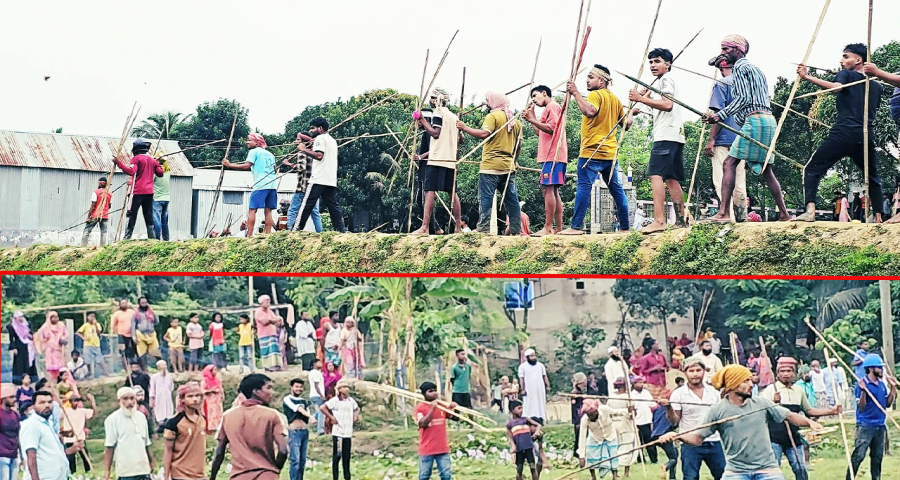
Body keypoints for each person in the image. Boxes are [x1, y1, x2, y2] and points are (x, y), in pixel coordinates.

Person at [659, 364, 824, 480]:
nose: (751, 384)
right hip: (736, 472)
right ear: (732, 385)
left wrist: (810, 423)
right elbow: (697, 439)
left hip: (768, 469)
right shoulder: (718, 410)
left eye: (750, 380)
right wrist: (677, 435)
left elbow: (789, 415)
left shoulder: (761, 404)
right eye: (745, 381)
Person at [702, 35, 791, 223]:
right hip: (768, 121)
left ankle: (724, 213)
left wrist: (719, 115)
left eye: (726, 49)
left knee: (728, 163)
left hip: (755, 120)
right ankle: (784, 214)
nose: (723, 53)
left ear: (739, 50)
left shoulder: (741, 68)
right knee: (766, 169)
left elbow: (742, 99)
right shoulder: (756, 69)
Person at [794, 44, 885, 223]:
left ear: (858, 60)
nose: (841, 61)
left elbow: (836, 88)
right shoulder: (877, 86)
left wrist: (807, 77)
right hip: (866, 135)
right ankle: (879, 217)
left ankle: (810, 211)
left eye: (845, 57)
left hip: (843, 133)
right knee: (872, 177)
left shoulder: (845, 75)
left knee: (812, 169)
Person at [558, 65, 629, 235]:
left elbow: (590, 111)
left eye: (591, 77)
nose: (587, 81)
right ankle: (625, 227)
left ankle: (576, 227)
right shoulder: (615, 99)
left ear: (601, 81)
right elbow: (627, 125)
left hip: (591, 151)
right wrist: (632, 112)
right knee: (616, 190)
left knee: (584, 187)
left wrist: (575, 93)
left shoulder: (595, 95)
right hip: (610, 153)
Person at [629, 48, 687, 232]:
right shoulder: (665, 82)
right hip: (675, 135)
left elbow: (667, 104)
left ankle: (660, 220)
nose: (653, 65)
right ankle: (680, 221)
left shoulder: (665, 80)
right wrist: (643, 101)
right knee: (671, 178)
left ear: (667, 64)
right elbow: (661, 107)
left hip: (665, 136)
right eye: (651, 62)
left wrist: (640, 98)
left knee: (656, 174)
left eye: (657, 61)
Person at [759, 357, 839, 480]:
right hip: (774, 439)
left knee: (801, 470)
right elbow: (763, 413)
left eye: (789, 371)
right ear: (777, 374)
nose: (786, 374)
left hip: (793, 438)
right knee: (773, 472)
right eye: (782, 371)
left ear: (794, 373)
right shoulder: (770, 391)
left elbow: (809, 411)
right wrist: (773, 403)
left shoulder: (798, 390)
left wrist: (831, 411)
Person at [457, 91, 524, 235]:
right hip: (508, 167)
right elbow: (518, 146)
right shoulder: (515, 120)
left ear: (495, 102)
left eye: (488, 100)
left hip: (490, 167)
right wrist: (514, 161)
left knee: (485, 199)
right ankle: (516, 230)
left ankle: (483, 228)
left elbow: (483, 134)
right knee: (512, 201)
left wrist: (464, 128)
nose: (487, 103)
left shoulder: (492, 116)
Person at [211, 374, 288, 480]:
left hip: (239, 476)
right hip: (266, 475)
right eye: (269, 388)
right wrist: (274, 469)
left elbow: (219, 452)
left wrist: (212, 476)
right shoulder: (272, 415)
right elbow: (283, 451)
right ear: (256, 391)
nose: (272, 393)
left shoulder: (228, 416)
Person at [663, 357, 726, 480]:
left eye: (698, 370)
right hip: (689, 443)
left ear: (704, 371)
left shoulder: (713, 392)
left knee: (723, 476)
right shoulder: (678, 394)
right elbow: (674, 421)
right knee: (690, 477)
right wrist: (668, 408)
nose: (695, 374)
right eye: (691, 371)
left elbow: (720, 417)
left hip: (713, 441)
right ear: (685, 373)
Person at [411, 91, 463, 235]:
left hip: (437, 157)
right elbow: (461, 138)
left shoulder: (438, 113)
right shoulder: (454, 117)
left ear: (439, 99)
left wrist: (422, 120)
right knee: (452, 193)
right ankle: (458, 227)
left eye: (433, 97)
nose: (431, 100)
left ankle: (425, 227)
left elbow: (435, 133)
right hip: (450, 159)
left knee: (429, 191)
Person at [704, 56, 747, 221]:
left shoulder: (722, 84)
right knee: (739, 181)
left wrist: (711, 139)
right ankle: (742, 216)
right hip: (742, 138)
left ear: (722, 67)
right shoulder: (745, 85)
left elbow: (718, 116)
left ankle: (726, 216)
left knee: (721, 180)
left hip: (723, 140)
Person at [523, 85, 567, 236]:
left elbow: (552, 128)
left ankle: (548, 228)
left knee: (548, 188)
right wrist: (532, 117)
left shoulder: (552, 106)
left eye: (535, 96)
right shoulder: (548, 109)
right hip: (553, 154)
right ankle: (558, 228)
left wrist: (531, 119)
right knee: (552, 189)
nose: (534, 100)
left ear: (544, 93)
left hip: (552, 154)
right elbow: (540, 131)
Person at [846, 354, 897, 480]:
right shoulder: (861, 384)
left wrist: (893, 388)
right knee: (858, 455)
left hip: (880, 426)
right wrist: (863, 391)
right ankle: (850, 478)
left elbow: (887, 404)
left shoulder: (881, 385)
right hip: (865, 426)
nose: (882, 370)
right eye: (879, 368)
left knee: (877, 457)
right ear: (870, 368)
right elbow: (861, 406)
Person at [295, 117, 347, 232]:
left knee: (306, 205)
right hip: (330, 179)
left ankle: (296, 230)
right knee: (334, 207)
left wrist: (303, 149)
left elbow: (319, 155)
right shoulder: (332, 140)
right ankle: (341, 230)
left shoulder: (320, 138)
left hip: (318, 179)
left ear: (320, 128)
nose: (311, 131)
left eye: (313, 128)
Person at [222, 133, 278, 237]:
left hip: (260, 185)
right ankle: (268, 235)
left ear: (257, 143)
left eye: (249, 140)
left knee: (252, 209)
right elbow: (275, 169)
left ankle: (249, 236)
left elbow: (246, 166)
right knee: (268, 211)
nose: (247, 142)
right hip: (272, 185)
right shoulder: (270, 154)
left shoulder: (253, 152)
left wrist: (229, 165)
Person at [21, 391, 82, 480]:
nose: (47, 405)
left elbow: (52, 454)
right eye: (42, 402)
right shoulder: (31, 424)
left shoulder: (48, 424)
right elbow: (31, 456)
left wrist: (72, 449)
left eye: (49, 402)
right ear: (33, 406)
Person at [116, 139, 164, 239]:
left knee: (131, 214)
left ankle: (127, 238)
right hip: (149, 193)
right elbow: (160, 173)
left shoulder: (136, 159)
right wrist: (157, 163)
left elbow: (131, 171)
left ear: (136, 149)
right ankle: (152, 238)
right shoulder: (152, 160)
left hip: (137, 192)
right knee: (149, 216)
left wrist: (118, 163)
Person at [104, 387, 154, 480]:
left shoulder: (141, 417)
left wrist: (151, 461)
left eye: (132, 398)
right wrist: (107, 472)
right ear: (119, 401)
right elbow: (109, 447)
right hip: (126, 471)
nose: (129, 402)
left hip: (143, 469)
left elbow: (146, 443)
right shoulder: (112, 419)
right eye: (125, 399)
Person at [162, 382, 207, 480]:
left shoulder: (202, 419)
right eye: (190, 396)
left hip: (200, 475)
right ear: (182, 399)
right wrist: (166, 476)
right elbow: (168, 451)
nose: (195, 399)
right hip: (180, 474)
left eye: (197, 396)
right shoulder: (174, 422)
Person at [320, 381, 360, 480]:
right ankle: (335, 477)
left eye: (348, 387)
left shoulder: (351, 401)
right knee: (337, 456)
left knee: (346, 457)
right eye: (345, 387)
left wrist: (355, 416)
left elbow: (357, 408)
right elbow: (323, 407)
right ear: (340, 389)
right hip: (338, 432)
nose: (347, 389)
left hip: (348, 432)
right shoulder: (335, 401)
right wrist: (331, 417)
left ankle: (347, 477)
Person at [578, 399, 626, 480]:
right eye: (589, 415)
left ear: (596, 411)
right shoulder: (585, 420)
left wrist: (628, 410)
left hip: (610, 435)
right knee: (590, 453)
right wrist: (581, 456)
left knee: (613, 454)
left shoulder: (605, 410)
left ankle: (615, 475)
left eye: (592, 414)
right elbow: (582, 437)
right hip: (595, 437)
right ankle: (593, 476)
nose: (591, 417)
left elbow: (617, 412)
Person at [284, 132, 322, 232]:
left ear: (303, 142)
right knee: (315, 212)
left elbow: (301, 167)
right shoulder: (314, 153)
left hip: (303, 187)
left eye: (298, 140)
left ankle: (291, 232)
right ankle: (320, 232)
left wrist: (289, 164)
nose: (296, 141)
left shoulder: (302, 153)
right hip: (314, 187)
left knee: (293, 210)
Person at [416, 382, 455, 480]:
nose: (434, 393)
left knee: (446, 475)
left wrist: (454, 408)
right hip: (427, 449)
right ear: (424, 394)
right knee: (424, 475)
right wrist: (432, 408)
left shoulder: (442, 406)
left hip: (442, 448)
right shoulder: (420, 408)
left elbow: (453, 417)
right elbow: (422, 424)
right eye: (430, 391)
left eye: (435, 390)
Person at [607, 378, 639, 476]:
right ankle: (626, 472)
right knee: (627, 446)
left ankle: (615, 473)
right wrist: (632, 411)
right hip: (625, 425)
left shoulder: (611, 397)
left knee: (614, 447)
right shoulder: (628, 397)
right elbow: (632, 413)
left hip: (613, 424)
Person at [284, 379, 313, 480]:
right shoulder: (287, 399)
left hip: (304, 432)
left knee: (302, 460)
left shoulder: (304, 401)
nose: (299, 389)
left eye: (300, 387)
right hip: (294, 432)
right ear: (291, 387)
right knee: (295, 459)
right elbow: (297, 409)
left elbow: (306, 412)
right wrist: (311, 417)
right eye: (296, 387)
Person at [506, 400, 542, 480]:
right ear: (512, 411)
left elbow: (538, 425)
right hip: (519, 448)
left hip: (528, 447)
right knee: (519, 469)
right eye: (519, 408)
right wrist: (513, 446)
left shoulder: (525, 419)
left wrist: (536, 432)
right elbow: (510, 437)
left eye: (522, 408)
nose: (521, 410)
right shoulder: (510, 424)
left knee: (532, 467)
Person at [61, 393, 95, 474]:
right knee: (71, 458)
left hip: (80, 437)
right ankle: (73, 473)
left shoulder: (82, 411)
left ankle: (89, 471)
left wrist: (92, 402)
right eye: (74, 401)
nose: (76, 403)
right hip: (70, 438)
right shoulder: (66, 411)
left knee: (85, 456)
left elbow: (93, 413)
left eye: (77, 401)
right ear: (70, 402)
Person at [650, 390, 678, 480]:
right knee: (673, 458)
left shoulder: (656, 410)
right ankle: (666, 467)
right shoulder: (669, 410)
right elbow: (673, 422)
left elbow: (652, 423)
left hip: (655, 435)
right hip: (664, 435)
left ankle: (672, 477)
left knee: (674, 454)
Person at [518, 348, 549, 424]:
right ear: (527, 357)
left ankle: (541, 419)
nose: (533, 357)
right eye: (531, 356)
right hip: (529, 389)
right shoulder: (522, 367)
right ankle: (528, 419)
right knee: (529, 404)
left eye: (534, 355)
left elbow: (544, 376)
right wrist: (523, 389)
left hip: (539, 389)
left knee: (540, 403)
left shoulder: (540, 365)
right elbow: (521, 378)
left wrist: (547, 385)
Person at [34, 311, 67, 382]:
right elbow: (39, 336)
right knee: (51, 366)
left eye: (57, 317)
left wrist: (62, 339)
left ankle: (60, 379)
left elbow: (66, 334)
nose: (56, 319)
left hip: (59, 348)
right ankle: (53, 380)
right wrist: (45, 339)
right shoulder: (46, 326)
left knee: (60, 364)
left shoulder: (61, 325)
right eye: (54, 317)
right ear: (50, 318)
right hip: (50, 348)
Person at [631, 377, 657, 464]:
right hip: (637, 421)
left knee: (649, 441)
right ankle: (640, 459)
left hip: (647, 420)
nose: (640, 385)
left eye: (641, 383)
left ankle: (654, 459)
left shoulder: (646, 393)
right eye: (638, 383)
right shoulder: (631, 395)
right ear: (634, 384)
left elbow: (652, 404)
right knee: (639, 442)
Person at [7, 312, 38, 384]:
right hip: (19, 347)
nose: (20, 318)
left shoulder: (27, 324)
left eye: (21, 316)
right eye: (19, 317)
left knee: (29, 361)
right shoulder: (12, 327)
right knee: (19, 362)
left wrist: (30, 336)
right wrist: (13, 348)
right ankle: (19, 380)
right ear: (15, 318)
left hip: (28, 346)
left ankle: (30, 378)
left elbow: (31, 335)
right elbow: (12, 339)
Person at [82, 176, 113, 246]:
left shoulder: (96, 192)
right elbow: (109, 206)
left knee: (87, 231)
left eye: (98, 183)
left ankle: (83, 246)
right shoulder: (110, 193)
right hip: (105, 216)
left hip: (95, 215)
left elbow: (93, 205)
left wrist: (88, 217)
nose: (97, 184)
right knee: (104, 233)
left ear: (101, 183)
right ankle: (102, 248)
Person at [132, 296, 161, 370]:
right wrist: (134, 336)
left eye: (145, 302)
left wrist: (154, 313)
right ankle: (145, 370)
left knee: (156, 351)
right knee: (142, 353)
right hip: (140, 334)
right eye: (142, 303)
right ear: (139, 303)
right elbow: (133, 325)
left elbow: (156, 322)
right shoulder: (135, 313)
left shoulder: (151, 312)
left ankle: (162, 368)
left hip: (151, 334)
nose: (144, 304)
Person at [256, 295, 284, 371]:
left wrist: (274, 320)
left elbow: (277, 320)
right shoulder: (258, 312)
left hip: (272, 333)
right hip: (264, 334)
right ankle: (268, 367)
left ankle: (276, 366)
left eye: (269, 301)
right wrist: (273, 320)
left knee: (274, 350)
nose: (268, 303)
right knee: (267, 351)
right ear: (261, 303)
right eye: (266, 301)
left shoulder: (269, 311)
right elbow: (264, 321)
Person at [77, 312, 107, 378]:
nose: (92, 318)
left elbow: (99, 332)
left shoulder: (97, 324)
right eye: (91, 316)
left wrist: (95, 324)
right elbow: (78, 332)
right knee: (88, 360)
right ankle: (90, 373)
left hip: (96, 344)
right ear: (88, 317)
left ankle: (105, 372)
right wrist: (83, 337)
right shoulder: (85, 325)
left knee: (99, 359)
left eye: (93, 316)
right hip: (87, 344)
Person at [0, 384, 20, 480]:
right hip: (2, 455)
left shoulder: (15, 414)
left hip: (14, 454)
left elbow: (18, 434)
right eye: (11, 397)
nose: (14, 399)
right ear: (3, 398)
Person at [112, 299, 137, 369]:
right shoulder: (117, 314)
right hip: (121, 336)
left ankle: (134, 368)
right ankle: (126, 370)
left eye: (125, 303)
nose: (124, 304)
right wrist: (118, 333)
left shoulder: (132, 312)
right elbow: (113, 325)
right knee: (123, 353)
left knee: (133, 352)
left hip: (132, 335)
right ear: (120, 304)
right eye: (122, 303)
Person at [153, 152, 172, 241]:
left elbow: (150, 181)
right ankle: (166, 239)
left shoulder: (156, 172)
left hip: (157, 198)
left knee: (156, 220)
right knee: (164, 221)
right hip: (166, 198)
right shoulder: (168, 171)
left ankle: (157, 239)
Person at [149, 360, 175, 425]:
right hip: (158, 397)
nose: (164, 367)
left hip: (168, 396)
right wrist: (152, 399)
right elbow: (152, 389)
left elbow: (171, 388)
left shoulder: (169, 377)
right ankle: (160, 423)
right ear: (158, 367)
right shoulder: (154, 377)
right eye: (162, 365)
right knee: (159, 409)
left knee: (169, 408)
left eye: (165, 365)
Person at [201, 364, 224, 434]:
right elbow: (202, 391)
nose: (216, 371)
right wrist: (211, 390)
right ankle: (209, 428)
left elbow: (220, 388)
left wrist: (222, 395)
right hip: (209, 400)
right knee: (210, 413)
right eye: (214, 370)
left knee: (218, 413)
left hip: (217, 400)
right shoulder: (204, 381)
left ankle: (218, 427)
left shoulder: (217, 380)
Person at [450, 349, 473, 414]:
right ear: (457, 356)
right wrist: (456, 386)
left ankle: (471, 423)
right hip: (457, 391)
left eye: (464, 354)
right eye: (462, 354)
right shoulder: (454, 367)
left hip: (466, 391)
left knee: (469, 408)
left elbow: (469, 375)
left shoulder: (468, 366)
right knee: (457, 409)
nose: (464, 356)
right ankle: (457, 422)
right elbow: (452, 379)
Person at [308, 360, 326, 435]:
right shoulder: (316, 373)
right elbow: (316, 385)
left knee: (318, 412)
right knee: (322, 412)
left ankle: (310, 419)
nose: (321, 364)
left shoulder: (312, 372)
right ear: (314, 364)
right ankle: (320, 429)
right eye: (319, 362)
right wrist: (322, 395)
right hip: (317, 395)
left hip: (313, 395)